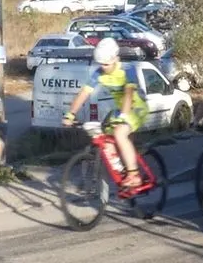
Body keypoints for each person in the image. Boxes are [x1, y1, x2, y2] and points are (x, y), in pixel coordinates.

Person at [62, 38, 148, 189]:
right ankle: (121, 171)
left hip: (136, 108)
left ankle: (134, 175)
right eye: (100, 64)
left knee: (119, 133)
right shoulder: (99, 73)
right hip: (121, 110)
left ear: (115, 58)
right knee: (103, 137)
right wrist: (71, 114)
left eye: (106, 64)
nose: (103, 67)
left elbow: (128, 94)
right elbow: (84, 93)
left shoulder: (127, 70)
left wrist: (123, 116)